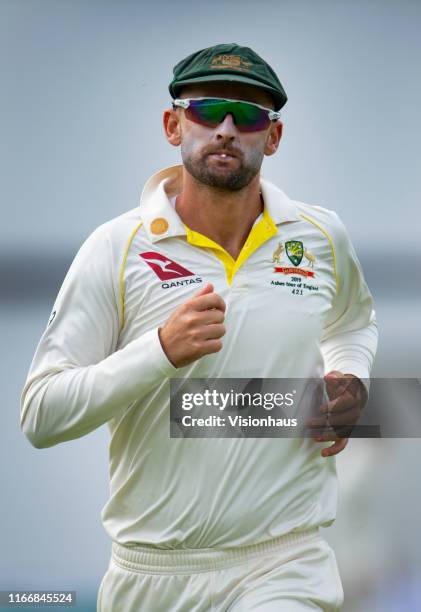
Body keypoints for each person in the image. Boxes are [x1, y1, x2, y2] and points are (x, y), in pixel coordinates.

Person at [21, 43, 378, 611]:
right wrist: (159, 351)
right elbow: (41, 416)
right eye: (209, 111)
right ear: (173, 124)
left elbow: (353, 324)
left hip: (285, 562)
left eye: (251, 115)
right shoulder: (116, 248)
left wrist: (351, 377)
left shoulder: (320, 236)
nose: (228, 129)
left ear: (274, 137)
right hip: (151, 572)